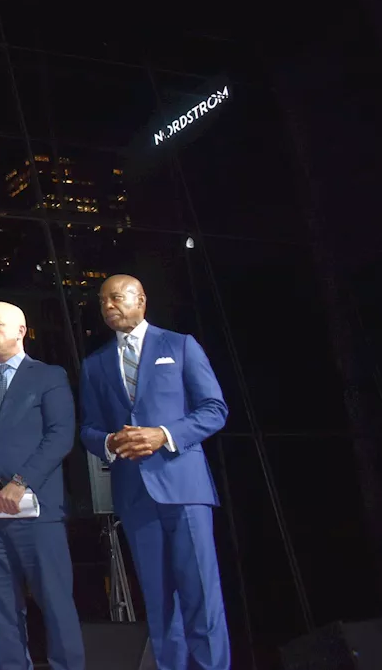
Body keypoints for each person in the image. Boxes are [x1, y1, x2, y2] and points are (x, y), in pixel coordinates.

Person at [79, 275, 230, 670]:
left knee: (200, 594)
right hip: (134, 496)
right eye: (102, 301)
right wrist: (111, 442)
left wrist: (163, 435)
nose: (108, 305)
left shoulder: (179, 346)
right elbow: (89, 429)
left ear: (140, 299)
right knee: (159, 602)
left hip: (184, 488)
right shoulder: (94, 365)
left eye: (116, 297)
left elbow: (214, 410)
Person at [0, 302, 84, 670]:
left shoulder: (48, 376)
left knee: (55, 604)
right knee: (2, 610)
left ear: (21, 330)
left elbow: (60, 436)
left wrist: (21, 481)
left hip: (36, 515)